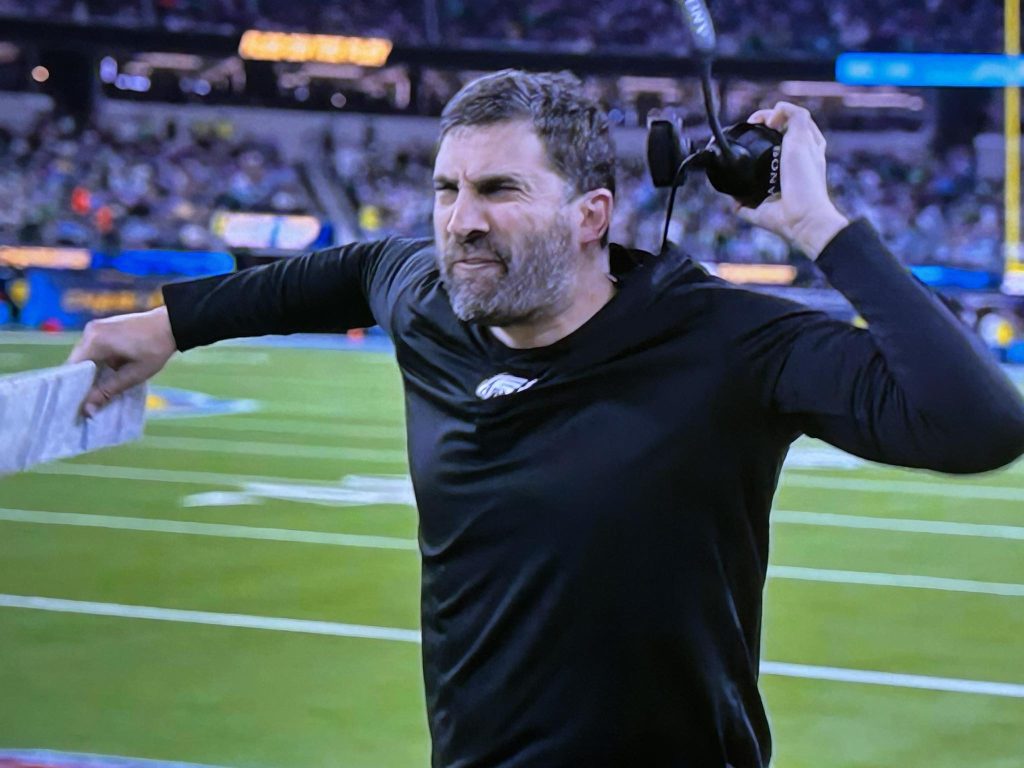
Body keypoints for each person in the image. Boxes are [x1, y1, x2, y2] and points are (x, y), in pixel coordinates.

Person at [68, 70, 1024, 768]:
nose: (461, 221)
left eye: (499, 190)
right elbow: (350, 270)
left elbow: (978, 424)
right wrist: (171, 324)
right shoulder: (429, 298)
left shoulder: (726, 340)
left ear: (591, 215)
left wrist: (818, 225)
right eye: (447, 189)